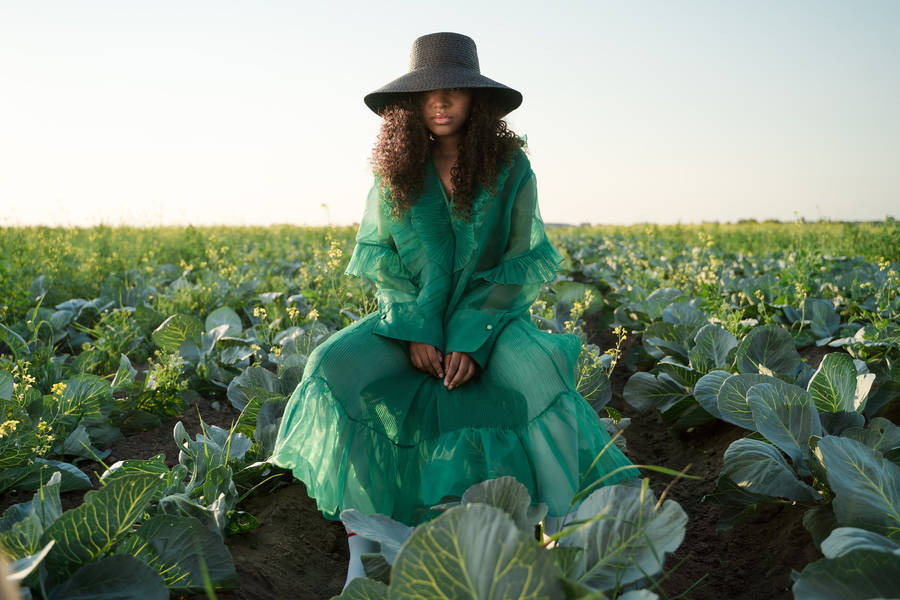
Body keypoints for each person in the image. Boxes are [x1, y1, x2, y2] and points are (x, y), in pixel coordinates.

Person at [271, 31, 639, 590]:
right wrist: (414, 330)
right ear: (411, 104)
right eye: (428, 93)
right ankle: (364, 545)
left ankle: (564, 537)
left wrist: (471, 337)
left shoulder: (511, 169)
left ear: (477, 102)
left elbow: (517, 263)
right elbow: (385, 263)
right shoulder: (394, 172)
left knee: (541, 375)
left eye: (454, 92)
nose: (440, 103)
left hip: (490, 320)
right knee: (330, 365)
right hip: (408, 321)